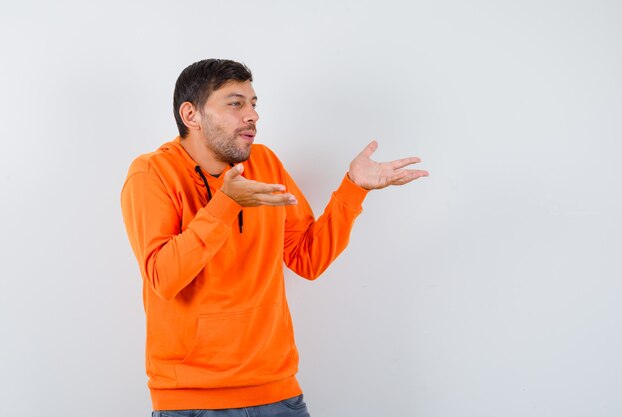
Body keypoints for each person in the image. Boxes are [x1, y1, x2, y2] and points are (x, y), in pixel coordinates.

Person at [121, 59, 428, 417]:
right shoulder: (151, 173)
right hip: (192, 401)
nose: (252, 115)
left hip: (278, 393)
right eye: (235, 103)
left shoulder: (264, 163)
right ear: (191, 115)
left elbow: (307, 258)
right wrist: (226, 203)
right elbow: (163, 277)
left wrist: (353, 189)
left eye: (254, 104)